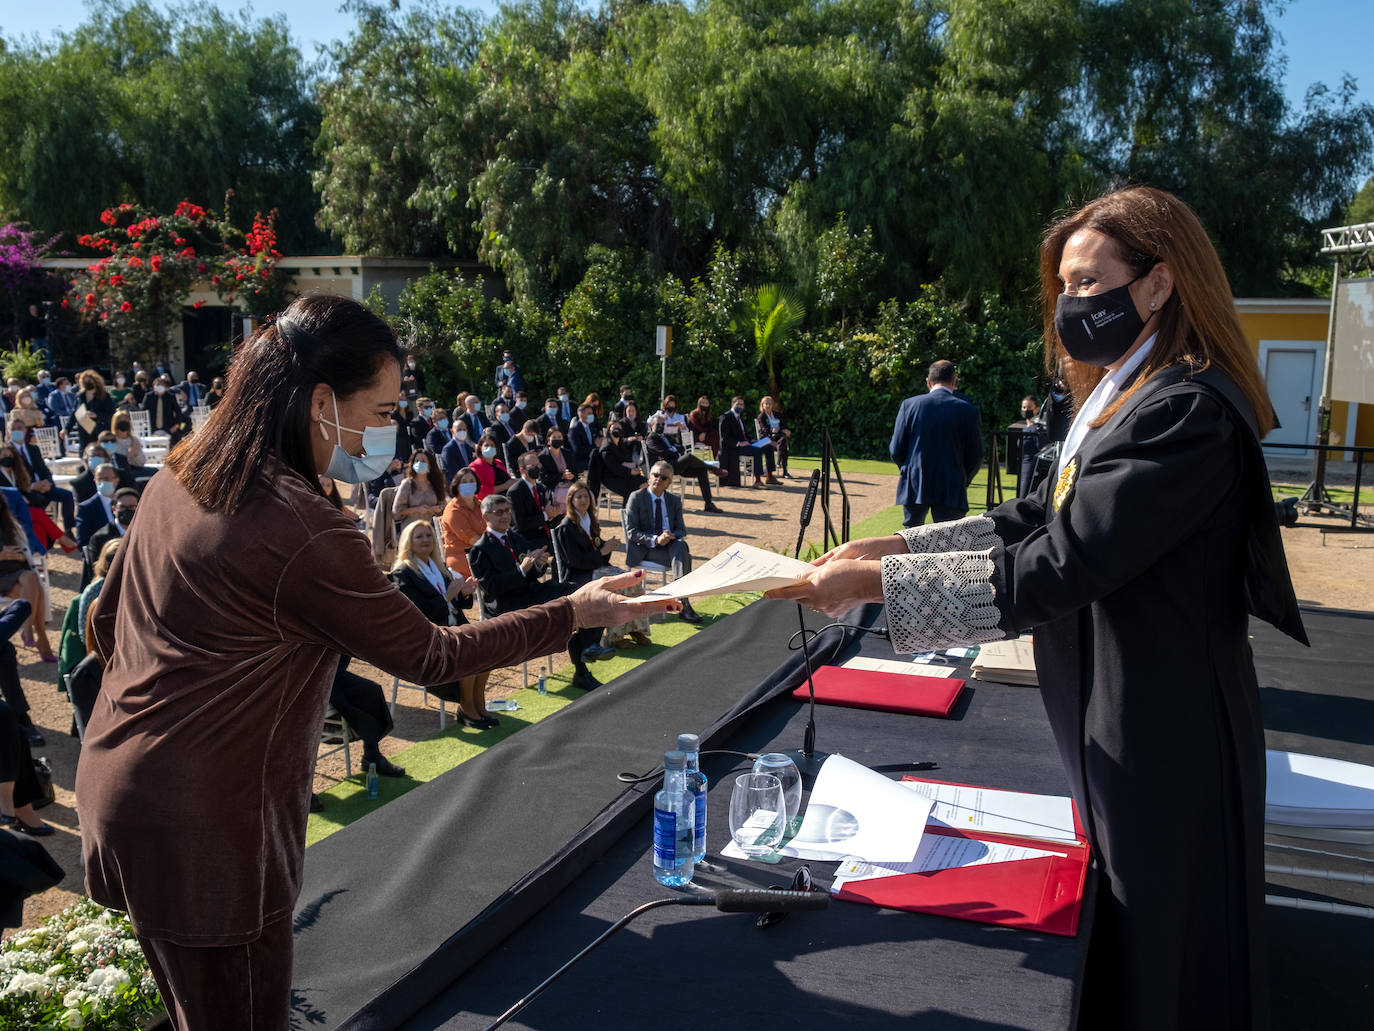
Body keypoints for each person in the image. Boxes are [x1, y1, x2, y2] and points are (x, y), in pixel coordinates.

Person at [767, 185, 1307, 1031]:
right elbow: (1045, 512)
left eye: (1091, 283)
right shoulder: (1128, 393)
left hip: (1168, 730)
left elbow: (1061, 563)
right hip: (1124, 710)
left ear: (1160, 283)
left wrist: (873, 587)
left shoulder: (1184, 411)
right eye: (1064, 285)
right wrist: (900, 546)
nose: (1071, 306)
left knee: (1172, 952)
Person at [74, 294, 676, 1031]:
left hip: (125, 794)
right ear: (321, 402)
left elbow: (105, 625)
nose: (391, 431)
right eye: (384, 410)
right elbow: (431, 654)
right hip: (211, 832)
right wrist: (573, 612)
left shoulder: (183, 473)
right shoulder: (300, 525)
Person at [468, 493, 608, 692]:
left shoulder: (516, 538)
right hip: (508, 602)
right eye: (498, 512)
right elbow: (491, 588)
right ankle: (583, 664)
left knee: (582, 591)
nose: (505, 516)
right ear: (485, 517)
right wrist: (521, 571)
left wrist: (538, 566)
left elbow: (532, 573)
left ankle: (590, 646)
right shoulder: (480, 549)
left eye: (507, 511)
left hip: (531, 591)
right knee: (568, 607)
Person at [389, 520, 495, 728]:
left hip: (454, 627)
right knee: (469, 652)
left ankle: (478, 703)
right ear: (408, 542)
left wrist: (464, 593)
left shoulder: (439, 566)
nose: (425, 540)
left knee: (487, 648)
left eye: (428, 535)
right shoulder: (402, 574)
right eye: (419, 536)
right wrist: (447, 596)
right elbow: (416, 613)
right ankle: (467, 708)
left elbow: (458, 603)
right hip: (428, 635)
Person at [551, 482, 650, 652]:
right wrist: (602, 551)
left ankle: (635, 628)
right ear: (571, 500)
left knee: (632, 579)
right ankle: (615, 637)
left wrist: (608, 546)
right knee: (616, 587)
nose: (583, 500)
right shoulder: (566, 527)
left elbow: (597, 547)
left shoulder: (589, 520)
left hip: (595, 568)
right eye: (579, 497)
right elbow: (575, 561)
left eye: (586, 496)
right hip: (578, 574)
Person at [888, 360, 983, 527]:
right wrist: (962, 479)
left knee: (910, 538)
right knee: (949, 540)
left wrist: (911, 471)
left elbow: (896, 449)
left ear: (928, 381)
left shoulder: (909, 405)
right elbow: (975, 456)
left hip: (915, 481)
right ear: (955, 380)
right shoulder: (968, 410)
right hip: (951, 483)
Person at [624, 462, 701, 623]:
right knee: (684, 554)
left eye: (663, 477)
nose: (658, 479)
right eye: (655, 475)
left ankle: (681, 600)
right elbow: (631, 532)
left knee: (680, 546)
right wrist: (655, 539)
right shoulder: (637, 497)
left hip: (669, 547)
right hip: (644, 549)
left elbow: (682, 530)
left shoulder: (673, 500)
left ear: (669, 483)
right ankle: (684, 603)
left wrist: (671, 535)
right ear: (649, 476)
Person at [10, 417, 76, 533]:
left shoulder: (33, 449)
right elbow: (11, 477)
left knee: (67, 496)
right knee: (38, 500)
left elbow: (44, 470)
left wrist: (48, 483)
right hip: (25, 490)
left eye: (20, 428)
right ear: (8, 431)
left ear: (25, 430)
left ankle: (68, 530)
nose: (17, 431)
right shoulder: (7, 452)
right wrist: (32, 486)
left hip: (44, 486)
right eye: (13, 429)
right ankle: (44, 532)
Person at [646, 414, 722, 513]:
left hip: (675, 464)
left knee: (701, 470)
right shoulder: (651, 438)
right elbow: (663, 453)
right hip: (664, 468)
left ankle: (708, 503)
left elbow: (679, 447)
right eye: (658, 424)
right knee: (689, 457)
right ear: (652, 425)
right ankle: (712, 468)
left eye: (663, 424)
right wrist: (673, 451)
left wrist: (672, 450)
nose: (661, 426)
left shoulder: (664, 436)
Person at [440, 467, 486, 581]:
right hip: (464, 557)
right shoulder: (453, 510)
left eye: (471, 481)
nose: (468, 484)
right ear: (457, 485)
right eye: (464, 482)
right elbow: (472, 539)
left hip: (483, 551)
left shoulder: (480, 504)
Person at [719, 395, 776, 487]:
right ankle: (757, 481)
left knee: (768, 446)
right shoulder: (726, 417)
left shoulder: (740, 418)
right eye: (738, 404)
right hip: (735, 447)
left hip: (747, 443)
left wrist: (754, 442)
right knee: (757, 451)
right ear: (732, 404)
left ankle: (770, 477)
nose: (740, 406)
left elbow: (745, 435)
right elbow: (724, 438)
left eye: (742, 405)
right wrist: (739, 443)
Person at [508, 453, 560, 547]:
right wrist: (546, 515)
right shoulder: (515, 492)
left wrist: (553, 513)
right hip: (529, 540)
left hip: (547, 534)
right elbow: (520, 524)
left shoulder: (542, 488)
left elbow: (548, 512)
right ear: (522, 470)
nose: (537, 468)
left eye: (538, 465)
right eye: (532, 466)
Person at [391, 449, 447, 534]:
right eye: (417, 461)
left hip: (432, 530)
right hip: (410, 531)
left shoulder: (435, 484)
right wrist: (416, 510)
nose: (419, 463)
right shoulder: (407, 484)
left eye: (423, 461)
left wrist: (437, 509)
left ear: (430, 465)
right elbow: (396, 512)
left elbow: (444, 505)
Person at [593, 420, 647, 502]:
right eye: (614, 427)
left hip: (623, 474)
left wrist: (634, 469)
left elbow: (625, 460)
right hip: (611, 478)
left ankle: (635, 510)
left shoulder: (620, 444)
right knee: (635, 485)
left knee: (645, 482)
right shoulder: (607, 446)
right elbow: (614, 467)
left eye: (619, 428)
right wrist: (630, 472)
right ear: (609, 430)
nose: (617, 429)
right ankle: (628, 511)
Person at [74, 369, 117, 449]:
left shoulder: (104, 396)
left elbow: (111, 414)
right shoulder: (80, 396)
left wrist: (96, 415)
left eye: (89, 381)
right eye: (85, 381)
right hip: (84, 432)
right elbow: (74, 413)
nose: (87, 383)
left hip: (99, 430)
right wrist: (66, 429)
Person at [536, 428, 577, 510]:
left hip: (569, 485)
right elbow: (542, 479)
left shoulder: (567, 454)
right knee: (573, 496)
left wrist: (572, 476)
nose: (557, 439)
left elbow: (575, 472)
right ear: (548, 439)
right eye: (554, 437)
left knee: (588, 494)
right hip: (553, 488)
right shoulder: (542, 457)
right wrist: (561, 476)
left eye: (559, 437)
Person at [467, 431, 513, 500]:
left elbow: (508, 480)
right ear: (480, 447)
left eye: (492, 445)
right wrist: (504, 486)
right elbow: (480, 491)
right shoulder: (475, 466)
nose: (489, 448)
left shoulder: (499, 463)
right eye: (486, 445)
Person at [144, 375, 190, 442]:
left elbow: (178, 411)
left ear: (165, 387)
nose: (159, 386)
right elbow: (143, 411)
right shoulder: (148, 397)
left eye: (161, 385)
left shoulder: (171, 396)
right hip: (152, 428)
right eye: (157, 385)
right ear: (154, 386)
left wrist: (177, 424)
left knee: (178, 437)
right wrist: (146, 425)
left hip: (168, 428)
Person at [756, 395, 792, 478]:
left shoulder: (777, 414)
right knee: (783, 445)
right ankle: (783, 469)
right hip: (766, 439)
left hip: (778, 438)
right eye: (766, 404)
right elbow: (765, 430)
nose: (768, 405)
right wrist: (775, 430)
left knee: (783, 441)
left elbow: (783, 425)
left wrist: (785, 430)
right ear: (762, 405)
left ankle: (780, 464)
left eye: (770, 403)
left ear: (772, 405)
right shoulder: (761, 417)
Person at [567, 403, 599, 474]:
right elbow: (577, 450)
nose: (592, 415)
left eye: (592, 413)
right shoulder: (574, 430)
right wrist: (595, 445)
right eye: (589, 413)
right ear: (581, 414)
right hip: (581, 463)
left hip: (592, 459)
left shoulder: (591, 426)